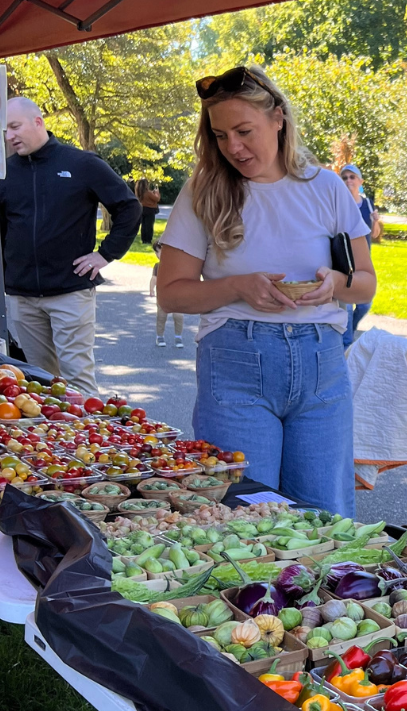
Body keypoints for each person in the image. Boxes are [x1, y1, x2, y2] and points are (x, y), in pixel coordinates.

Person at [158, 65, 374, 515]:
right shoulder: (204, 190)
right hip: (236, 361)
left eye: (243, 130)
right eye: (219, 136)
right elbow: (172, 294)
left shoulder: (327, 187)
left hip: (321, 364)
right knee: (243, 512)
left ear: (278, 118)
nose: (233, 147)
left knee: (324, 517)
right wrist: (238, 287)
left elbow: (365, 283)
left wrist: (336, 283)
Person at [0, 97, 141, 396]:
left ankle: (91, 438)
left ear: (38, 122)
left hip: (70, 293)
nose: (10, 136)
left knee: (77, 381)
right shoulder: (5, 173)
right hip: (22, 297)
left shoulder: (81, 163)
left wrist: (106, 254)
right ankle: (53, 442)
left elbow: (129, 207)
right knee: (40, 381)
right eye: (5, 130)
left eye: (15, 126)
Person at [339, 163, 379, 347]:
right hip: (344, 263)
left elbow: (375, 234)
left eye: (352, 177)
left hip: (363, 263)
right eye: (345, 177)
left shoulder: (368, 204)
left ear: (360, 181)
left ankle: (351, 330)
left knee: (365, 304)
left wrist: (376, 221)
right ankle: (346, 346)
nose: (348, 181)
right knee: (346, 307)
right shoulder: (338, 203)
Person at [150, 240, 183, 348]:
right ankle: (160, 336)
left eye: (160, 251)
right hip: (162, 296)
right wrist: (151, 290)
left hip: (176, 295)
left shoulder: (177, 265)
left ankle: (178, 336)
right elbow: (154, 279)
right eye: (157, 252)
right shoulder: (157, 266)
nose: (158, 255)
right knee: (161, 316)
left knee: (178, 316)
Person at [135, 178, 161, 245]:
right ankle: (148, 240)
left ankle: (144, 239)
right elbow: (156, 199)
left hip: (142, 209)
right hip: (150, 210)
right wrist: (157, 192)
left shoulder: (139, 193)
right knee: (149, 225)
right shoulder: (148, 193)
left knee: (144, 225)